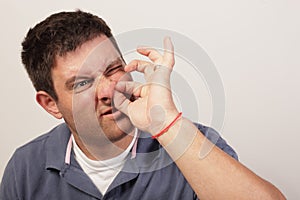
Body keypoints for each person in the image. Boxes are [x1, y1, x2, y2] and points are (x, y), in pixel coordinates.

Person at [0, 10, 285, 200]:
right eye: (82, 83)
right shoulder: (25, 168)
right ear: (51, 104)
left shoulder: (194, 143)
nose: (109, 90)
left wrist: (166, 125)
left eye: (113, 69)